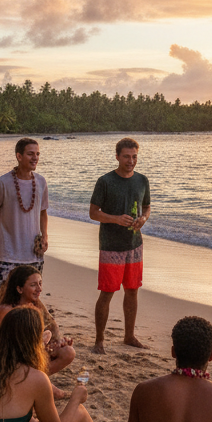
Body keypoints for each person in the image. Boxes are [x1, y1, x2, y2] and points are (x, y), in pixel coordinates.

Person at [89, 137, 150, 353]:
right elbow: (93, 212)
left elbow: (147, 207)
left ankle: (129, 336)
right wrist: (115, 219)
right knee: (107, 292)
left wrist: (143, 219)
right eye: (126, 156)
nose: (131, 161)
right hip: (111, 245)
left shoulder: (142, 180)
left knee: (132, 291)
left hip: (135, 244)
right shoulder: (105, 181)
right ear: (117, 156)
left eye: (134, 157)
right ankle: (99, 341)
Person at [0, 266, 75, 384]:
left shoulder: (34, 308)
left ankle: (32, 382)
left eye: (40, 283)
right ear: (20, 289)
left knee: (68, 352)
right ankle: (31, 383)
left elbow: (34, 341)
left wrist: (55, 344)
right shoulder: (4, 311)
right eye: (33, 285)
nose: (39, 289)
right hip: (6, 363)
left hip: (27, 358)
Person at [0, 138, 49, 289]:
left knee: (31, 298)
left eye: (38, 154)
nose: (35, 158)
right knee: (6, 299)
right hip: (9, 254)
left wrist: (44, 237)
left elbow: (43, 212)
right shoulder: (2, 182)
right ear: (19, 156)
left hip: (34, 254)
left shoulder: (41, 182)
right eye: (30, 154)